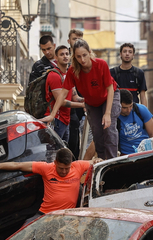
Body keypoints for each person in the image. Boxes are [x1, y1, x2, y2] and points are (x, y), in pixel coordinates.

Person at [43, 39, 121, 160]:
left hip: (109, 97)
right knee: (97, 133)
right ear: (75, 57)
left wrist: (107, 113)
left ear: (89, 52)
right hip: (92, 102)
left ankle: (112, 160)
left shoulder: (101, 64)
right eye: (78, 56)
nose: (82, 60)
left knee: (109, 129)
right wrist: (52, 115)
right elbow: (63, 93)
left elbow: (110, 89)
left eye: (84, 55)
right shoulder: (73, 71)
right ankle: (102, 160)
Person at [0, 148, 101, 225]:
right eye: (61, 168)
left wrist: (98, 161)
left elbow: (98, 162)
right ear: (55, 163)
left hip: (66, 217)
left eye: (67, 168)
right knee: (24, 232)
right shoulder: (46, 168)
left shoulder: (78, 166)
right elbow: (18, 165)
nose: (64, 172)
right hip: (45, 215)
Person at [45, 45, 85, 143]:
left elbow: (75, 97)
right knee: (54, 151)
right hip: (56, 120)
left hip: (65, 120)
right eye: (62, 54)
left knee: (62, 152)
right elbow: (61, 101)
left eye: (67, 54)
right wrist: (83, 105)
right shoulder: (54, 75)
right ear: (56, 57)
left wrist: (87, 100)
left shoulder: (69, 75)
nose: (65, 56)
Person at [117, 89, 153, 155]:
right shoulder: (114, 117)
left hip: (145, 153)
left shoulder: (141, 109)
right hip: (126, 155)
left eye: (131, 106)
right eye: (125, 108)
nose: (129, 110)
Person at [67, 29, 86, 158]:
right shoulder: (64, 57)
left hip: (82, 104)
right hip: (68, 107)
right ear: (69, 41)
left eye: (80, 39)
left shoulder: (85, 59)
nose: (77, 41)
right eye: (74, 39)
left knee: (82, 142)